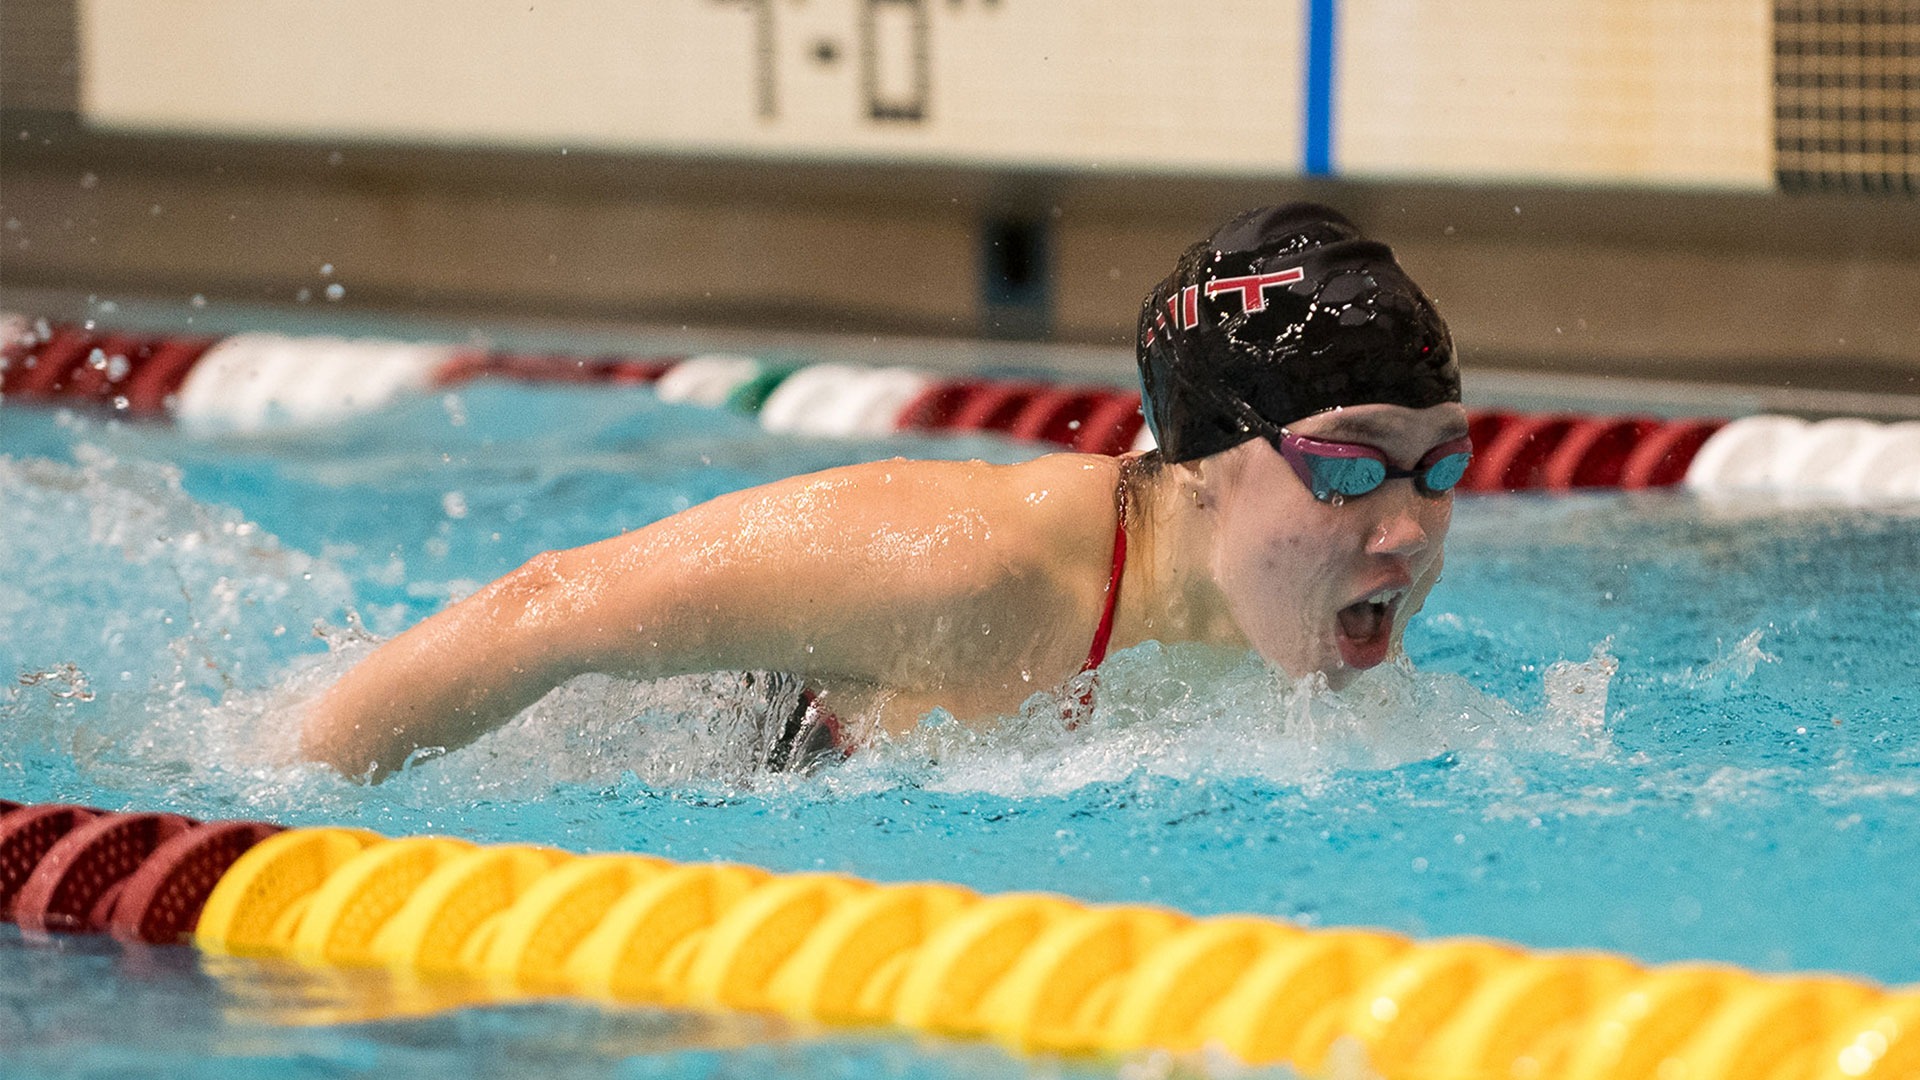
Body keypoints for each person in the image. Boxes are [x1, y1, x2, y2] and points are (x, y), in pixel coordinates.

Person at [300, 203, 1470, 781]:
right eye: (1349, 467)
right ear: (1205, 461)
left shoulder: (1309, 602)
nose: (1407, 530)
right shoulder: (963, 566)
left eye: (1443, 466)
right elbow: (547, 608)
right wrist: (279, 805)